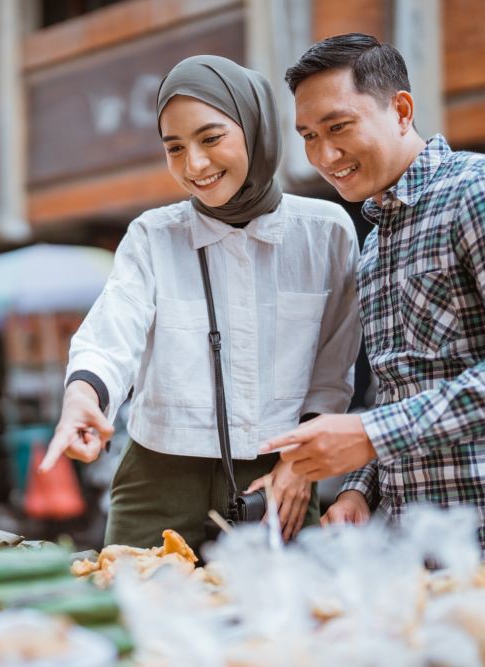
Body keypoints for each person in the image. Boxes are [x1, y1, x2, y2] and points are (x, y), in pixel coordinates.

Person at [263, 33, 485, 566]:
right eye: (308, 136)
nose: (324, 155)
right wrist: (358, 490)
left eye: (339, 127)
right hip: (420, 553)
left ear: (402, 110)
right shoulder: (376, 244)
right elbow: (400, 395)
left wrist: (368, 434)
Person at [39, 55, 361, 553]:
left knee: (283, 625)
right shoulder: (152, 235)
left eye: (211, 138)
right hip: (156, 477)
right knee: (136, 617)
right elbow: (112, 332)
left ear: (255, 129)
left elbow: (332, 371)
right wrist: (84, 396)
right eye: (174, 148)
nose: (195, 165)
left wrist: (298, 466)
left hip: (280, 477)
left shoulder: (326, 232)